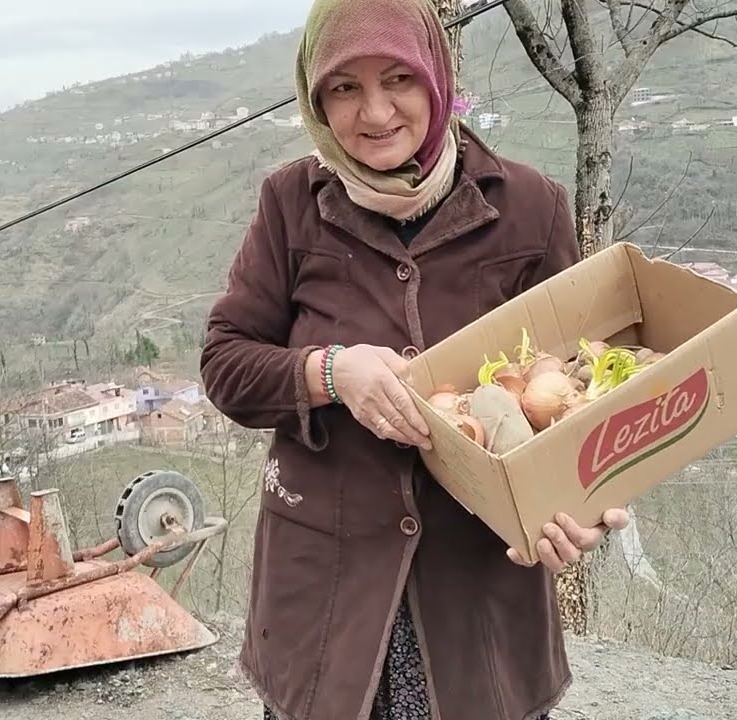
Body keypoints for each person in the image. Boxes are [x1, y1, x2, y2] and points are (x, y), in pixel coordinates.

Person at [200, 0, 630, 718]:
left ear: (436, 76)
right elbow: (226, 363)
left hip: (478, 599)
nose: (374, 113)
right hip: (326, 601)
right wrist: (330, 373)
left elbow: (581, 390)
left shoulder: (530, 208)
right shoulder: (290, 205)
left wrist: (576, 505)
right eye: (344, 87)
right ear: (316, 97)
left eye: (398, 77)